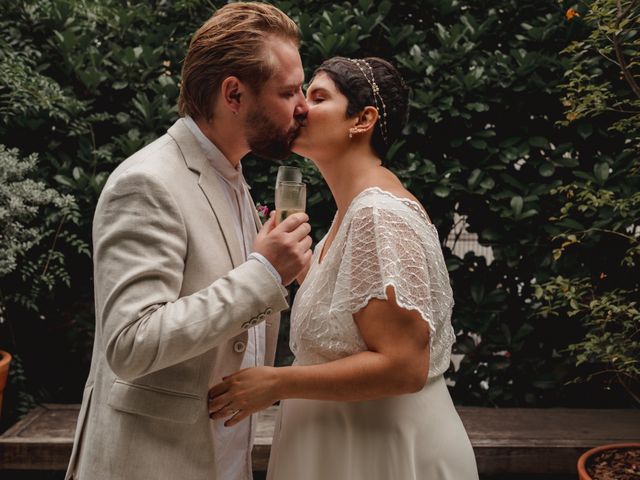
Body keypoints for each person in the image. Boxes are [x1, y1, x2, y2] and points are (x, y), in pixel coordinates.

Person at [65, 3, 312, 480]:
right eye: (289, 91)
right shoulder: (147, 183)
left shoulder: (234, 177)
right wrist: (262, 275)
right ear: (234, 95)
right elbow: (130, 343)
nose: (302, 105)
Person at [209, 56, 479, 480]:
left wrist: (275, 383)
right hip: (344, 446)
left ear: (363, 119)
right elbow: (350, 324)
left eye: (318, 97)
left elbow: (403, 365)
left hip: (379, 453)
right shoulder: (351, 212)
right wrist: (295, 265)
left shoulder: (377, 214)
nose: (300, 107)